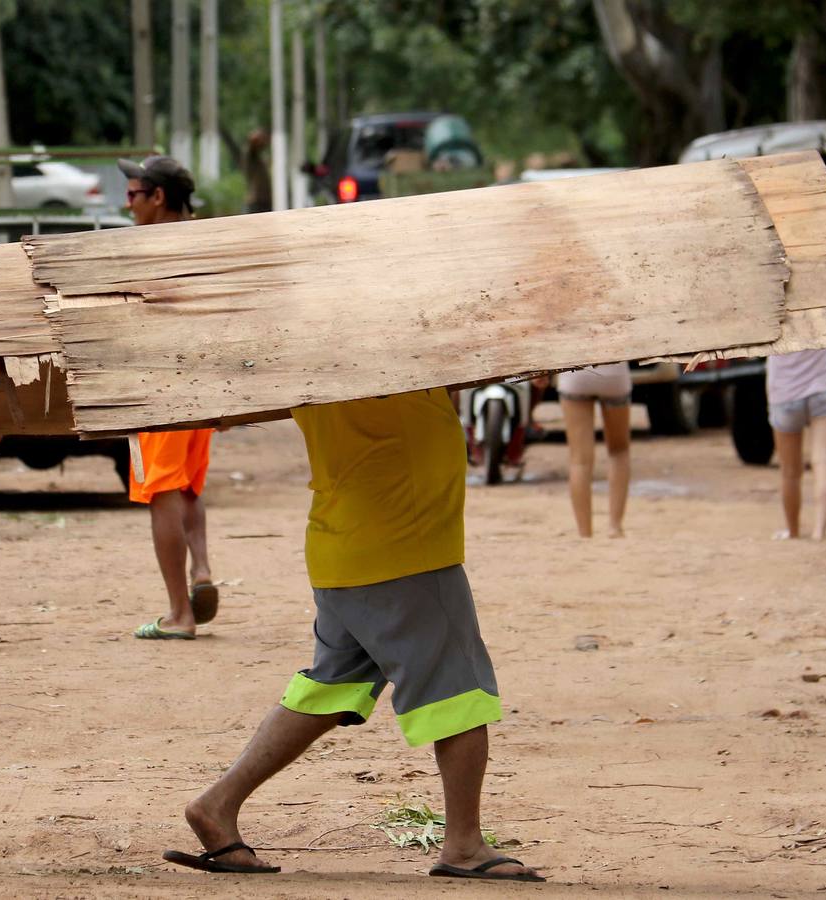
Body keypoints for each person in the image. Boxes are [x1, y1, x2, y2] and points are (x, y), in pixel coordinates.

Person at [162, 389, 544, 883]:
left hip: (345, 543)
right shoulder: (386, 334)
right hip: (403, 547)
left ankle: (216, 805)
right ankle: (465, 845)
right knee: (457, 690)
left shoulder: (305, 348)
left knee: (331, 688)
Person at [117, 155, 220, 640]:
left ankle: (179, 615)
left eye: (134, 194)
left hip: (157, 384)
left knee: (161, 492)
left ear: (158, 197)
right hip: (200, 383)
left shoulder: (148, 248)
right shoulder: (205, 239)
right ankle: (200, 569)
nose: (127, 203)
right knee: (187, 487)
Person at [767, 348, 826, 539]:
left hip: (785, 393)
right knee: (824, 460)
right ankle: (819, 533)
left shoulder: (771, 317)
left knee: (790, 472)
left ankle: (793, 533)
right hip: (825, 388)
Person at [558, 363, 631, 538]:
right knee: (618, 451)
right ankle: (615, 526)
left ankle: (584, 533)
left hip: (574, 372)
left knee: (579, 461)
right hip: (614, 372)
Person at [241, 130, 273, 214]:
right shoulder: (250, 158)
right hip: (256, 202)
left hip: (266, 201)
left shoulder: (260, 160)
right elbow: (252, 145)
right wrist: (256, 137)